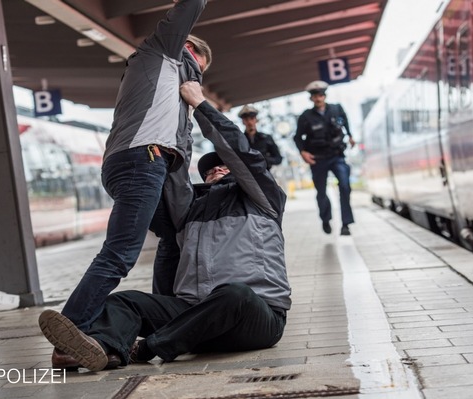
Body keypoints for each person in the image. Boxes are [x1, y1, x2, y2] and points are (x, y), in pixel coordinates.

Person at [38, 81, 291, 372]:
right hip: (193, 321)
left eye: (224, 166)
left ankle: (146, 348)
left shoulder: (264, 198)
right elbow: (173, 168)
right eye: (209, 169)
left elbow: (240, 153)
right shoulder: (188, 210)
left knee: (234, 294)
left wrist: (200, 105)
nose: (216, 169)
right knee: (124, 301)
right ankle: (102, 349)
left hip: (255, 318)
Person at [40, 0, 212, 369]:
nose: (197, 79)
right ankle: (71, 330)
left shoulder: (173, 97)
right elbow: (190, 7)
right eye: (199, 69)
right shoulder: (162, 52)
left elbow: (180, 161)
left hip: (142, 162)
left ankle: (165, 320)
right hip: (141, 160)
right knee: (119, 254)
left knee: (173, 233)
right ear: (189, 49)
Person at [294, 80, 356, 236]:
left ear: (324, 96)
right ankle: (325, 218)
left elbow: (345, 122)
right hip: (318, 159)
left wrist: (350, 136)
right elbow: (297, 137)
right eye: (315, 96)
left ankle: (346, 225)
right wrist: (303, 152)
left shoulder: (336, 109)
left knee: (344, 186)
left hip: (337, 156)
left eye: (320, 95)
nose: (318, 98)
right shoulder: (306, 116)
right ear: (311, 98)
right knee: (321, 192)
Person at [237, 105, 282, 170]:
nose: (249, 122)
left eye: (252, 118)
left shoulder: (266, 138)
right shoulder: (240, 140)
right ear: (243, 122)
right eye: (246, 119)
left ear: (256, 120)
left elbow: (278, 159)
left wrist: (266, 160)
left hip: (265, 173)